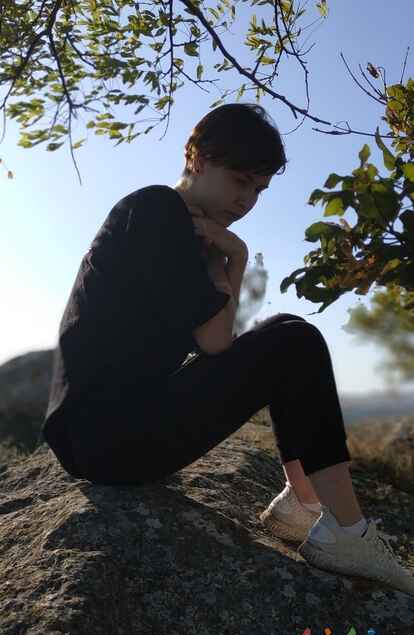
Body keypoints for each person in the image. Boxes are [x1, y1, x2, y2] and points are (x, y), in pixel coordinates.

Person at [40, 102, 414, 596]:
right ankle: (348, 531)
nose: (247, 200)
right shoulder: (155, 210)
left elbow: (215, 340)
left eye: (259, 189)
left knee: (287, 334)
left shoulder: (191, 234)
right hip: (105, 436)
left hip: (115, 432)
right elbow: (216, 342)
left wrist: (226, 256)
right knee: (293, 341)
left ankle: (303, 503)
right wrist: (236, 254)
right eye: (240, 181)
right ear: (197, 158)